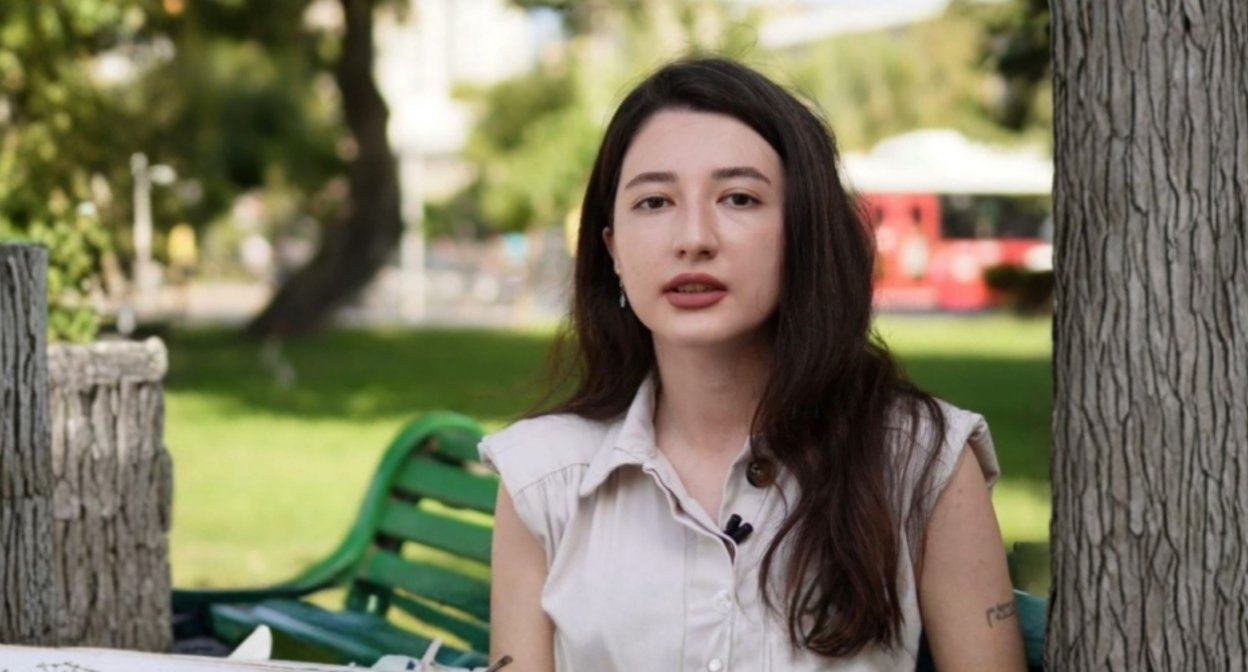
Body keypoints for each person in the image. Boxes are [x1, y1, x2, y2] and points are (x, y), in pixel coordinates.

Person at [481, 57, 1026, 672]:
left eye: (739, 197)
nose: (693, 237)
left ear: (803, 232)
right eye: (654, 202)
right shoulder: (543, 477)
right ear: (613, 250)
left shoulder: (920, 459)